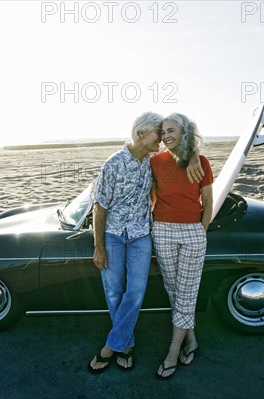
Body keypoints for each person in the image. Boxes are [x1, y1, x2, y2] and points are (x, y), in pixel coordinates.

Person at [89, 112, 204, 373]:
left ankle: (111, 346)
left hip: (141, 235)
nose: (162, 139)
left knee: (136, 292)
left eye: (164, 133)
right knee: (114, 292)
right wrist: (99, 246)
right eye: (157, 133)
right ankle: (126, 345)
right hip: (113, 237)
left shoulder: (152, 161)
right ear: (141, 134)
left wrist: (195, 154)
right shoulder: (113, 164)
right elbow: (99, 206)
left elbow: (183, 152)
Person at [150, 113, 214, 380]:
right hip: (162, 230)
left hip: (193, 233)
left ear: (185, 131)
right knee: (175, 290)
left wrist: (201, 231)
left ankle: (173, 351)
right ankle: (192, 340)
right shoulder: (155, 161)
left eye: (171, 130)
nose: (166, 136)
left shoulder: (201, 163)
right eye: (163, 132)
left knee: (186, 291)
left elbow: (208, 203)